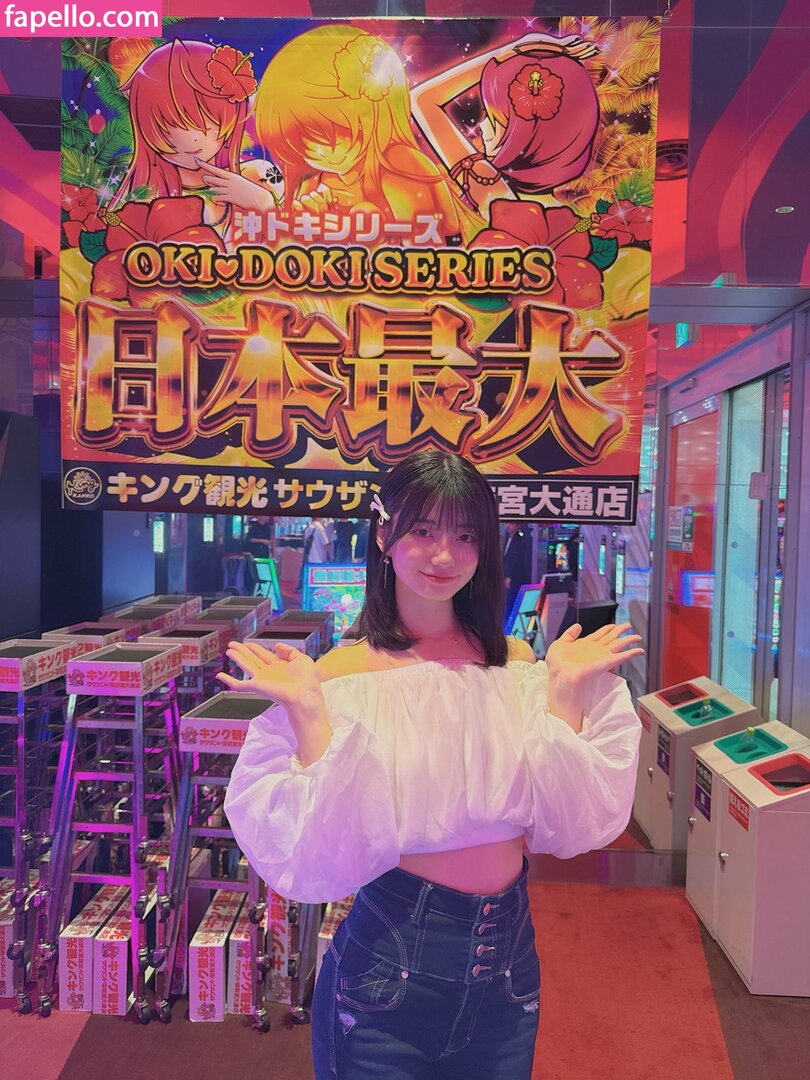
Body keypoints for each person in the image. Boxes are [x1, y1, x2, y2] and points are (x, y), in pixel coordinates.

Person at [219, 449, 643, 1079]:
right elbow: (320, 847)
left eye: (465, 535)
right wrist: (307, 708)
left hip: (507, 968)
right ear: (384, 535)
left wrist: (565, 690)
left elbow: (564, 818)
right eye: (422, 530)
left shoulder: (514, 663)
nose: (445, 555)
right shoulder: (343, 674)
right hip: (389, 967)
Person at [503, 521, 534, 621]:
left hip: (514, 578)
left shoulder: (519, 540)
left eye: (510, 524)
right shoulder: (508, 538)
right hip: (505, 575)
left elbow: (516, 560)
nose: (507, 526)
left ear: (517, 526)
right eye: (506, 523)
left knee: (512, 601)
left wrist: (509, 576)